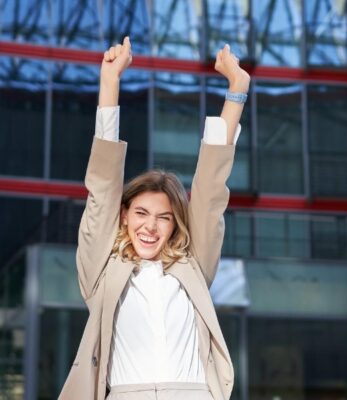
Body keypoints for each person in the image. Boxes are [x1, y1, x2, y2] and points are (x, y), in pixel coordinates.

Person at [59, 37, 250, 400]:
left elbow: (210, 190)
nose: (150, 226)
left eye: (164, 217)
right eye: (141, 213)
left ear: (175, 224)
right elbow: (102, 187)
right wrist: (110, 82)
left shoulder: (193, 265)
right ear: (124, 216)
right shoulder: (102, 271)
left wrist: (236, 91)